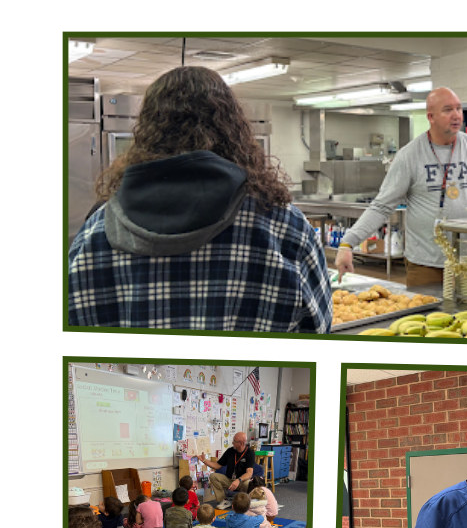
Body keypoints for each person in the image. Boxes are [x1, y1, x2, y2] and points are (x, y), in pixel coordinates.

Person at [68, 65, 332, 334]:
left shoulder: (94, 235)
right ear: (234, 130)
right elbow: (318, 328)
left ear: (146, 131)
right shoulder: (285, 226)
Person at [336, 87, 467, 287]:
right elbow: (381, 206)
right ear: (431, 117)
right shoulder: (409, 155)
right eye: (448, 110)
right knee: (427, 317)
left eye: (459, 108)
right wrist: (347, 243)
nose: (456, 115)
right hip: (425, 264)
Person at [199, 432, 255, 508]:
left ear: (241, 443)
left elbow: (249, 473)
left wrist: (239, 480)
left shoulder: (250, 453)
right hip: (229, 480)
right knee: (213, 476)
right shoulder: (230, 451)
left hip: (241, 481)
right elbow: (218, 465)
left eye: (235, 441)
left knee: (247, 483)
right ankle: (224, 500)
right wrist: (204, 460)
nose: (232, 443)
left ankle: (244, 503)